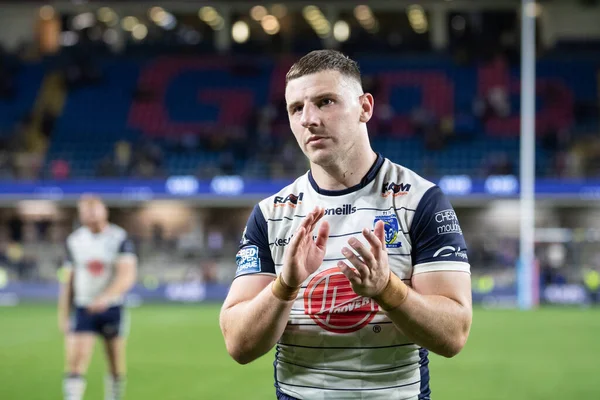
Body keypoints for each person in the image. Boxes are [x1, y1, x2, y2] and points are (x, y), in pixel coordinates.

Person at [219, 49, 472, 400]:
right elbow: (238, 344)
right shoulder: (271, 213)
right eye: (296, 108)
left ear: (365, 107)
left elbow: (454, 335)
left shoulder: (420, 201)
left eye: (325, 102)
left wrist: (386, 289)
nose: (309, 118)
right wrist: (286, 285)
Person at [58, 195, 137, 400]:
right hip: (84, 307)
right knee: (75, 360)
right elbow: (69, 281)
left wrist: (105, 298)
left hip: (111, 308)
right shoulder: (74, 240)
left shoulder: (119, 238)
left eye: (94, 209)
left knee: (114, 362)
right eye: (86, 210)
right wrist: (64, 313)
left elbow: (126, 275)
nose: (91, 214)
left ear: (104, 211)